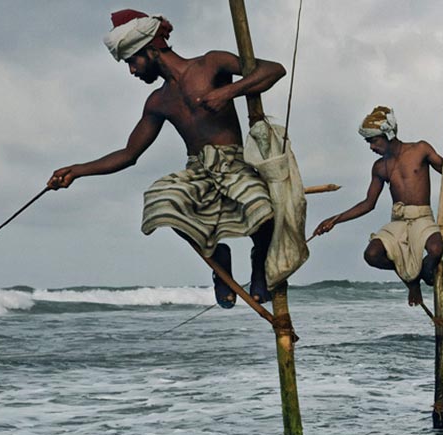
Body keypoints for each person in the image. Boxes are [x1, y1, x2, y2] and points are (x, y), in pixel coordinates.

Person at [46, 10, 287, 308]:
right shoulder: (158, 102)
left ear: (151, 49)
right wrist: (76, 171)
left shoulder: (211, 63)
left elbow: (274, 70)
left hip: (234, 163)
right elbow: (129, 154)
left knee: (262, 209)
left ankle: (259, 264)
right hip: (198, 170)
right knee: (160, 200)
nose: (132, 71)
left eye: (132, 61)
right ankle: (217, 261)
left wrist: (228, 92)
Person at [310, 106, 443, 306]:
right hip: (398, 220)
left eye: (373, 141)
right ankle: (412, 280)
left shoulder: (420, 149)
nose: (371, 147)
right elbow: (368, 203)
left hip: (422, 217)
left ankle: (422, 272)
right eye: (369, 142)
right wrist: (334, 220)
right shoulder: (379, 167)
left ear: (388, 134)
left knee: (435, 249)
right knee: (371, 255)